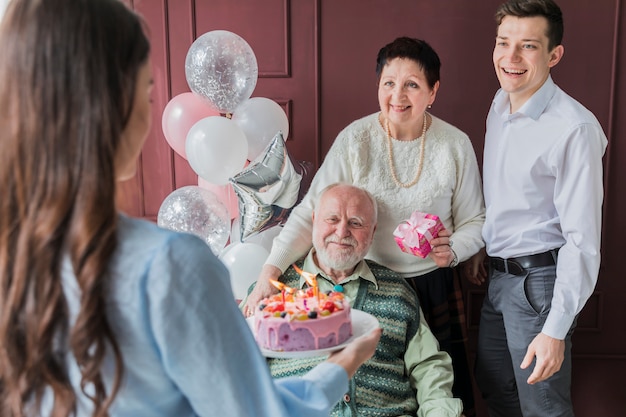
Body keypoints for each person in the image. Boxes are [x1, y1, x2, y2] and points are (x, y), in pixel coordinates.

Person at [0, 1, 381, 416]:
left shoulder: (13, 256)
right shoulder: (169, 265)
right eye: (146, 93)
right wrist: (342, 364)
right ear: (112, 107)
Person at [243, 36, 485, 415]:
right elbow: (312, 213)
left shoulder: (455, 144)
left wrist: (454, 250)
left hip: (430, 284)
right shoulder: (355, 139)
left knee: (434, 383)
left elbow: (475, 220)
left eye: (412, 84)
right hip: (363, 279)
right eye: (389, 83)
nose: (398, 95)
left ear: (433, 91)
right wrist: (269, 272)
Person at [463, 1, 608, 416]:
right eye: (503, 43)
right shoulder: (500, 102)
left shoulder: (573, 129)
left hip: (540, 285)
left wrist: (555, 330)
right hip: (498, 275)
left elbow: (583, 241)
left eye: (527, 46)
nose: (511, 57)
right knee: (493, 384)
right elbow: (507, 192)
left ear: (553, 54)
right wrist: (483, 245)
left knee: (543, 407)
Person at [245, 183, 463, 417]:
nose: (341, 232)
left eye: (356, 223)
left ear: (372, 231)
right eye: (332, 219)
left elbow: (429, 366)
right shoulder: (271, 291)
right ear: (314, 220)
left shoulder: (398, 291)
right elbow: (235, 367)